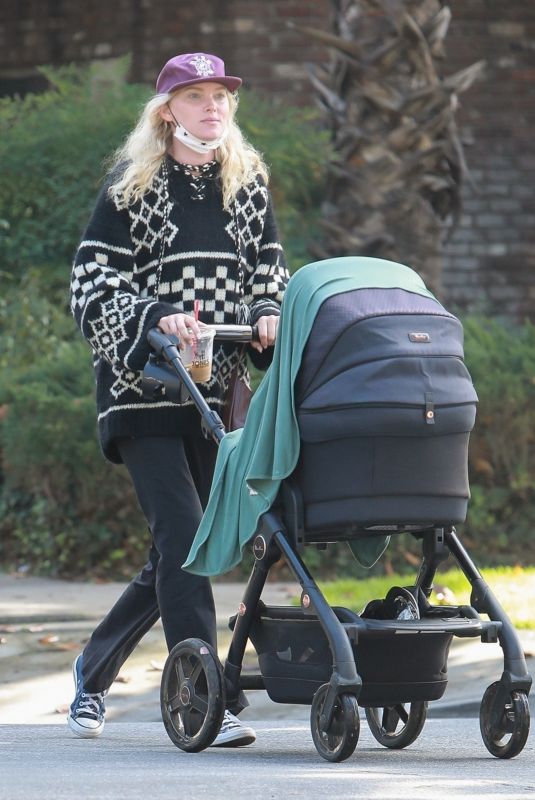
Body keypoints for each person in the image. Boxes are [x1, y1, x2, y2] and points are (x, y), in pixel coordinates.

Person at [67, 52, 289, 745]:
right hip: (142, 391)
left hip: (213, 397)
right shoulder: (132, 190)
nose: (212, 107)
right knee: (185, 537)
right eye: (195, 97)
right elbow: (91, 288)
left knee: (182, 551)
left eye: (220, 96)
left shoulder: (247, 186)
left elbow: (270, 273)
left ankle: (90, 673)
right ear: (166, 110)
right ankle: (205, 701)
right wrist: (153, 313)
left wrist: (267, 314)